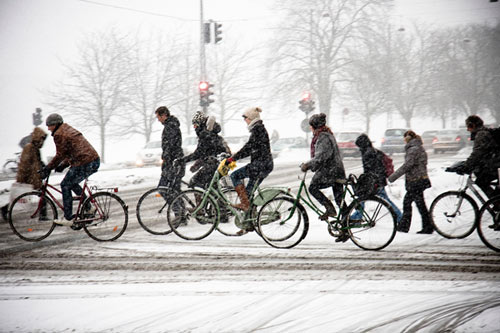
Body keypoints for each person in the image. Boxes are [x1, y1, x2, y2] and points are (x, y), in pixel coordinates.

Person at [39, 113, 100, 227]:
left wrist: (48, 168)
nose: (48, 128)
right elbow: (72, 151)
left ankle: (68, 217)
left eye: (49, 125)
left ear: (56, 124)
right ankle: (89, 207)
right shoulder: (66, 129)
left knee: (65, 185)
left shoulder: (59, 134)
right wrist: (63, 165)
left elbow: (60, 154)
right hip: (92, 160)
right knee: (71, 183)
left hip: (85, 162)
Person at [226, 107, 274, 233]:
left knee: (235, 176)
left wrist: (233, 158)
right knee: (248, 194)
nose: (245, 121)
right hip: (263, 164)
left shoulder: (258, 130)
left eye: (246, 119)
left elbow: (248, 148)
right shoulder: (258, 129)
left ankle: (245, 205)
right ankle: (249, 223)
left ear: (251, 119)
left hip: (260, 165)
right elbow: (251, 148)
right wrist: (235, 157)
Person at [300, 113, 347, 223]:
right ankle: (346, 224)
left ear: (315, 126)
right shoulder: (326, 134)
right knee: (339, 199)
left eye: (311, 126)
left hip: (330, 171)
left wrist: (308, 165)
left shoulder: (323, 137)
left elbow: (321, 156)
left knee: (313, 188)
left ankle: (330, 209)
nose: (310, 128)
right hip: (336, 170)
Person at [388, 130, 433, 234]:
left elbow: (407, 166)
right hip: (420, 179)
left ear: (408, 138)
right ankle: (427, 226)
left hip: (415, 180)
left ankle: (404, 227)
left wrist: (393, 177)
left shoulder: (413, 149)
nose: (404, 141)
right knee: (419, 204)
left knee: (408, 203)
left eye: (404, 138)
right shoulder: (419, 147)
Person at [352, 134, 403, 222]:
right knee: (385, 201)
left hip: (375, 182)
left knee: (362, 197)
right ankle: (399, 217)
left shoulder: (368, 153)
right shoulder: (374, 151)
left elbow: (370, 170)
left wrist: (368, 181)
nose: (359, 149)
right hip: (379, 180)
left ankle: (358, 216)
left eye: (359, 146)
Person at [1, 127, 48, 221]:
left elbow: (39, 162)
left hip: (34, 177)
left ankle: (43, 215)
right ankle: (5, 208)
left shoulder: (35, 148)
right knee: (20, 195)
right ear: (37, 138)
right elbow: (24, 164)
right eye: (42, 139)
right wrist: (21, 179)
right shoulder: (29, 147)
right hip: (29, 177)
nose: (43, 142)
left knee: (42, 194)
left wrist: (46, 168)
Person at [179, 111, 228, 189]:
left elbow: (199, 153)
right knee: (209, 186)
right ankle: (215, 199)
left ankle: (209, 200)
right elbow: (207, 153)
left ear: (200, 124)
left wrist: (182, 160)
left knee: (194, 182)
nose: (194, 128)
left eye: (195, 125)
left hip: (219, 163)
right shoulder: (210, 133)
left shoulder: (206, 135)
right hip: (226, 163)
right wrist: (197, 164)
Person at [456, 115, 500, 199]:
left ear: (473, 125)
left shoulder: (481, 135)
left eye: (468, 126)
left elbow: (477, 154)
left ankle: (496, 203)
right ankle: (496, 201)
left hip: (497, 166)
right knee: (482, 177)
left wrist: (466, 166)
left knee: (481, 181)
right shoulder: (484, 132)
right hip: (496, 165)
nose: (467, 129)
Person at [155, 106, 185, 206]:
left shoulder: (170, 127)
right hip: (176, 161)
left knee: (163, 188)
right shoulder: (172, 125)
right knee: (175, 190)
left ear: (163, 115)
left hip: (173, 163)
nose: (158, 120)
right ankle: (181, 213)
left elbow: (170, 146)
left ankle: (179, 211)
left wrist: (166, 160)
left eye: (158, 117)